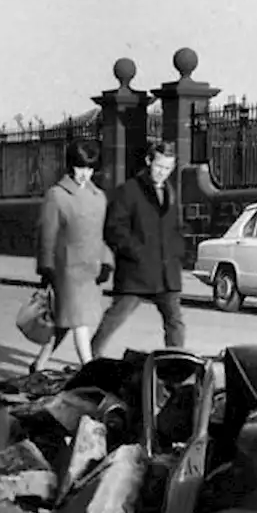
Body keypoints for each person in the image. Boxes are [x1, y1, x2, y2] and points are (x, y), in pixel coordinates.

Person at [90, 140, 186, 356]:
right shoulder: (129, 191)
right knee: (115, 317)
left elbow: (176, 228)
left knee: (175, 322)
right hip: (136, 271)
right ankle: (90, 359)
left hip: (167, 272)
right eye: (159, 166)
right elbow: (114, 229)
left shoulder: (171, 192)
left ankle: (176, 366)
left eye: (168, 168)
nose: (163, 173)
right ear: (148, 161)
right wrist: (136, 253)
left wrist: (178, 252)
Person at [31, 139, 113, 373]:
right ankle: (90, 371)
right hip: (66, 271)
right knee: (79, 322)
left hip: (90, 271)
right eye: (80, 167)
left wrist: (106, 261)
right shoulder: (56, 195)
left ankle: (38, 365)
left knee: (64, 323)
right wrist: (46, 268)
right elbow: (47, 234)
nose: (84, 174)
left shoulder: (99, 197)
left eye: (89, 168)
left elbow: (101, 234)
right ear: (70, 166)